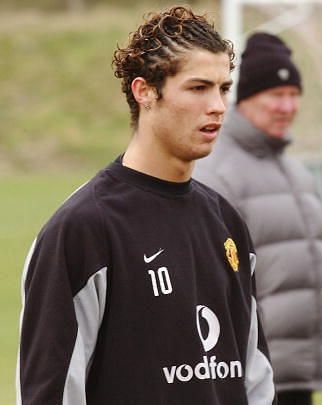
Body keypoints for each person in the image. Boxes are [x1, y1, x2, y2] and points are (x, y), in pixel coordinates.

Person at [17, 6, 275, 404]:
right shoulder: (84, 228)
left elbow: (255, 379)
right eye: (197, 88)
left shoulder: (226, 222)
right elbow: (50, 392)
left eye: (223, 88)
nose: (218, 106)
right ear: (145, 92)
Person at [193, 32, 322, 405]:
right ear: (244, 100)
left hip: (299, 368)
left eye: (294, 95)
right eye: (276, 95)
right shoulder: (216, 172)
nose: (287, 106)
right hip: (251, 372)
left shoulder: (298, 173)